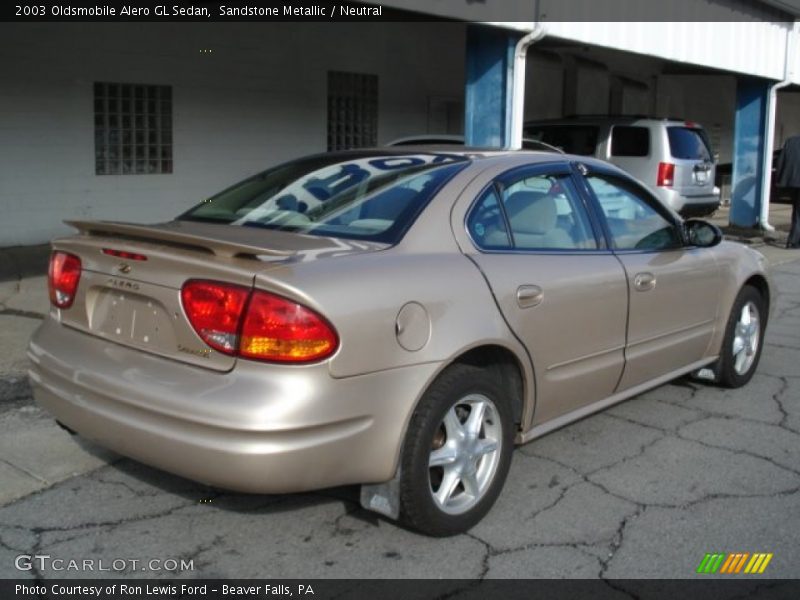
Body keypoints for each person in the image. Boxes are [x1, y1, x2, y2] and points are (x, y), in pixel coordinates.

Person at [775, 135, 800, 248]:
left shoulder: (791, 141)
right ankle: (794, 240)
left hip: (793, 183)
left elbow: (781, 160)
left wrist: (780, 180)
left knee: (797, 212)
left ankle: (794, 240)